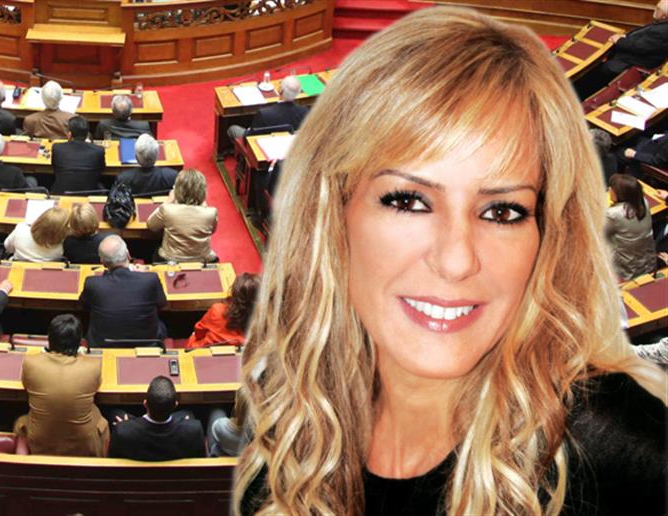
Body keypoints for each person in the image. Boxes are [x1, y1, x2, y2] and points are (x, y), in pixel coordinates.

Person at [235, 9, 668, 515]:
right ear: (332, 215)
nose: (456, 260)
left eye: (502, 211)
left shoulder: (631, 461)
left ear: (549, 236)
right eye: (408, 201)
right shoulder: (285, 425)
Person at [14, 314, 108, 456]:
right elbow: (95, 387)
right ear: (79, 342)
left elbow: (26, 385)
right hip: (84, 444)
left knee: (19, 420)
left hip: (40, 441)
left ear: (49, 339)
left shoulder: (30, 362)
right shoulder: (93, 366)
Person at [79, 235, 166, 347]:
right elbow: (162, 303)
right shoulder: (150, 279)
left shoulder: (92, 283)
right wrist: (143, 276)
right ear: (128, 254)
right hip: (146, 343)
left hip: (103, 344)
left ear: (102, 262)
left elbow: (84, 305)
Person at [575, 0, 668, 98]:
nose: (655, 10)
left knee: (596, 72)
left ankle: (579, 93)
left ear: (664, 16)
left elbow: (639, 47)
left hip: (631, 63)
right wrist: (626, 37)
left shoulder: (662, 31)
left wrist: (619, 41)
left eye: (658, 9)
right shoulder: (662, 25)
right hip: (636, 56)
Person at [108, 376, 206, 461]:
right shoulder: (194, 430)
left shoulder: (122, 432)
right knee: (187, 413)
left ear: (145, 404)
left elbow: (112, 456)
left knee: (116, 413)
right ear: (175, 405)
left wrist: (127, 426)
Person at [146, 169, 217, 263]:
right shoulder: (211, 213)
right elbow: (212, 230)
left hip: (170, 258)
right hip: (202, 259)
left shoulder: (167, 209)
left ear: (177, 190)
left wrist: (169, 201)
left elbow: (151, 225)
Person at [185, 272, 259, 349]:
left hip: (205, 351)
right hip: (244, 353)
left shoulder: (218, 310)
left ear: (234, 292)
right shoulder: (263, 318)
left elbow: (199, 332)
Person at [606, 174, 657, 281]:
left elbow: (599, 235)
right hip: (649, 263)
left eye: (611, 188)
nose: (609, 189)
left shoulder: (613, 214)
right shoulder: (644, 203)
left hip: (625, 270)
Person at [226, 75, 309, 141]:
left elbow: (252, 137)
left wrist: (248, 130)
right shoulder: (305, 112)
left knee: (233, 129)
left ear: (280, 90)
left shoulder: (264, 114)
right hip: (288, 145)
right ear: (298, 92)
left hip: (264, 145)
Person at [50, 116, 105, 194]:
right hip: (89, 193)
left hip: (62, 192)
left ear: (70, 134)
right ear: (87, 135)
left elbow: (54, 167)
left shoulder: (57, 148)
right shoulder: (98, 150)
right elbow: (101, 168)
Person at [4, 206, 68, 262]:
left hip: (17, 267)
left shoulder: (21, 229)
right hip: (46, 271)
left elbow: (8, 247)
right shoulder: (63, 246)